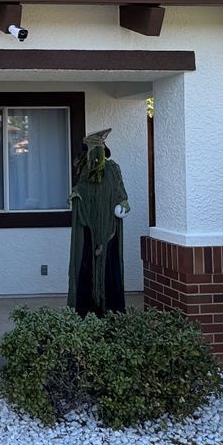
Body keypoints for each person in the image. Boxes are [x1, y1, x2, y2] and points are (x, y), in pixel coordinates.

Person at [67, 129, 129, 315]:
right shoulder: (85, 170)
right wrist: (76, 194)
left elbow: (120, 193)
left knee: (109, 269)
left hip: (109, 230)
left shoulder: (112, 169)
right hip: (88, 230)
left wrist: (123, 204)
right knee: (87, 267)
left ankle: (110, 310)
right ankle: (88, 311)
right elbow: (82, 189)